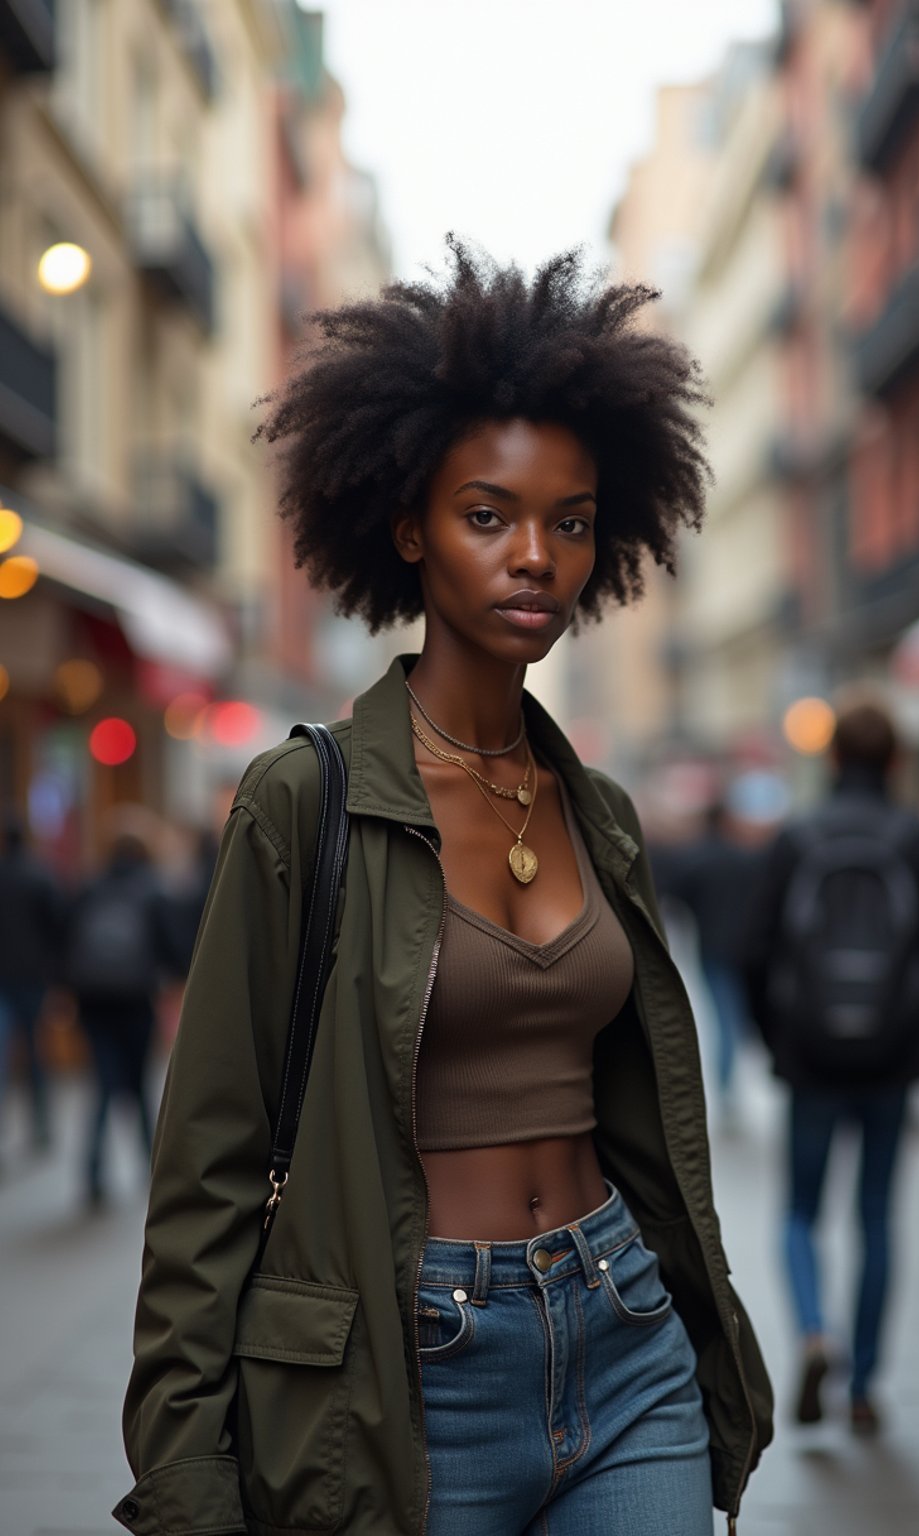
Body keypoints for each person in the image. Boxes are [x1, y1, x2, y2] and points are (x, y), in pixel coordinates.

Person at [115, 243, 772, 1536]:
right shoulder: (300, 806)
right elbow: (206, 1174)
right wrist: (188, 1481)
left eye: (570, 523)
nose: (536, 556)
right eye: (489, 516)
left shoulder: (602, 815)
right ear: (408, 525)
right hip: (411, 1373)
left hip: (625, 1334)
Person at [744, 697, 919, 1434]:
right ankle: (866, 1384)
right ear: (897, 762)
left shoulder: (797, 838)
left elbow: (753, 949)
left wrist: (774, 1038)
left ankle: (814, 1331)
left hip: (810, 1056)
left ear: (833, 758)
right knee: (876, 1215)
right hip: (894, 1055)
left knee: (801, 1213)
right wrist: (913, 987)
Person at [65, 811, 179, 1208]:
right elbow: (173, 948)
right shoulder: (153, 890)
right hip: (135, 999)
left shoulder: (90, 886)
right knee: (139, 1087)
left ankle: (93, 1175)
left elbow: (66, 941)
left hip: (94, 1002)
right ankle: (152, 1170)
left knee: (102, 1087)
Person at [651, 803, 757, 1123]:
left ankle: (727, 1087)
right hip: (744, 949)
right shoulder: (745, 860)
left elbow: (671, 899)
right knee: (733, 1017)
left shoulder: (697, 859)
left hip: (712, 948)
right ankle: (729, 1085)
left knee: (724, 1017)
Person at [0, 812, 63, 1157]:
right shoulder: (40, 876)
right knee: (37, 1054)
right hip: (33, 978)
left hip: (4, 979)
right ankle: (41, 1126)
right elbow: (58, 927)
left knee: (3, 1057)